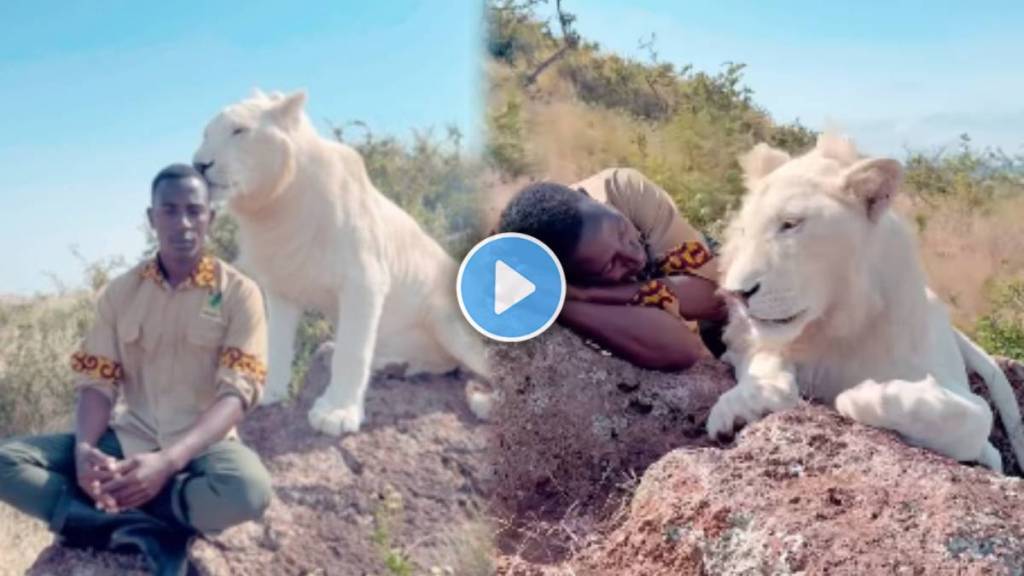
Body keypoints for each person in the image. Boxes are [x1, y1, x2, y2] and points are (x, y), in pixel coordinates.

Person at [0, 164, 272, 575]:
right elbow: (98, 383)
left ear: (210, 219)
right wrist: (84, 452)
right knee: (7, 461)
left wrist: (167, 464)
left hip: (203, 446)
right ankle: (143, 525)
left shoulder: (238, 293)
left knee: (249, 492)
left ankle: (115, 511)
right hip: (131, 438)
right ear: (151, 218)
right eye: (170, 210)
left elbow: (238, 393)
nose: (183, 223)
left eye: (194, 211)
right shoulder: (121, 292)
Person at [498, 167, 728, 370]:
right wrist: (562, 303)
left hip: (699, 265)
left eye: (621, 231)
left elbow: (717, 299)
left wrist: (597, 294)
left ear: (592, 199)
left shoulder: (623, 189)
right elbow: (682, 349)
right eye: (610, 264)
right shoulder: (555, 268)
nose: (634, 256)